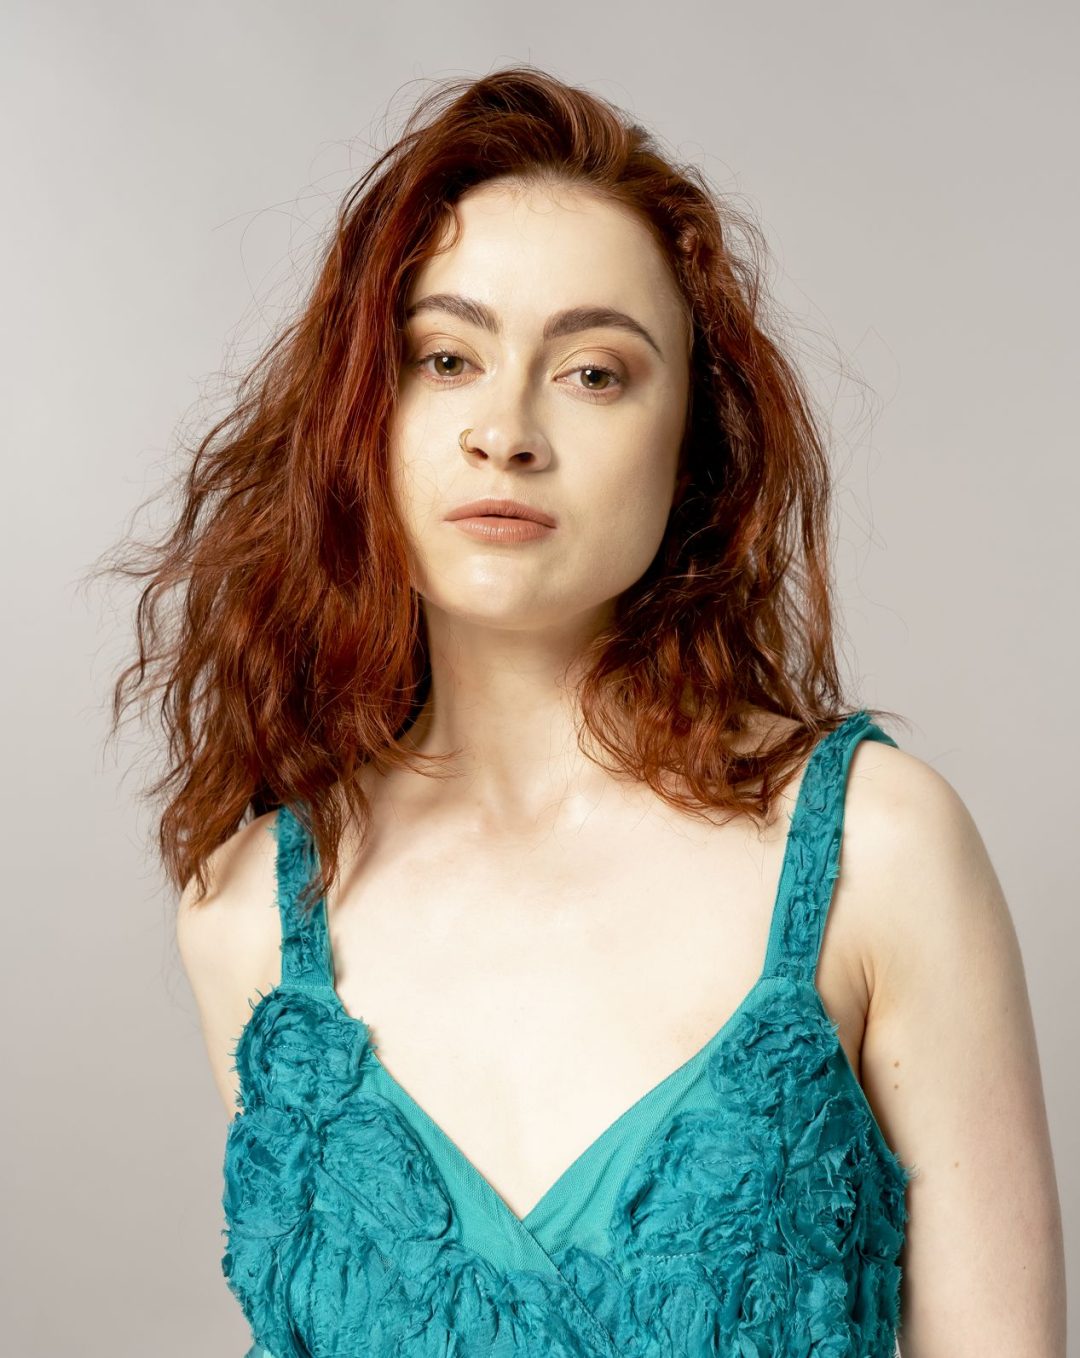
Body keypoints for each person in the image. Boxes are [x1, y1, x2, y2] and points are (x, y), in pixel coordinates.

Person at [112, 66, 1064, 1356]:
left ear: (696, 445)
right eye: (446, 358)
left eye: (594, 373)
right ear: (362, 417)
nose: (505, 432)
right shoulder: (248, 914)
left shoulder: (874, 851)